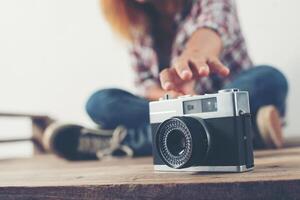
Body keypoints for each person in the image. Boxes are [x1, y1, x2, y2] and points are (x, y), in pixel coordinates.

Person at [43, 0, 288, 160]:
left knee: (268, 78)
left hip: (227, 98)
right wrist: (176, 98)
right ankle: (246, 131)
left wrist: (195, 56)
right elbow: (146, 86)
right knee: (99, 101)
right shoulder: (136, 24)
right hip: (176, 107)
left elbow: (212, 29)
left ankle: (124, 142)